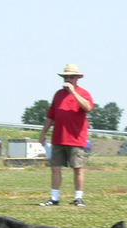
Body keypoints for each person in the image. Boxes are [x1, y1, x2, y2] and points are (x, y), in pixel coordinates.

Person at [38, 64, 94, 207]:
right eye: (66, 77)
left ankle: (78, 198)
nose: (68, 79)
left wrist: (74, 93)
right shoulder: (58, 95)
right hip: (58, 138)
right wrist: (43, 133)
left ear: (77, 78)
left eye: (71, 77)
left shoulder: (83, 93)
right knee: (55, 168)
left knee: (78, 168)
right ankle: (54, 198)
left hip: (76, 138)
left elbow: (87, 108)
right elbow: (50, 116)